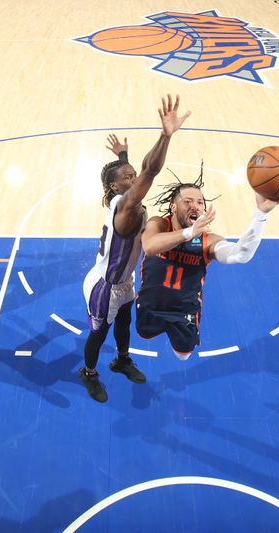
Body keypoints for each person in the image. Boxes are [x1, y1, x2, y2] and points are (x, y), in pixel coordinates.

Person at [79, 95, 191, 403]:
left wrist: (123, 155)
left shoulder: (123, 196)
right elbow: (149, 172)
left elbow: (133, 172)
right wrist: (165, 136)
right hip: (104, 286)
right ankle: (88, 372)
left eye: (132, 174)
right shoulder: (126, 208)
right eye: (128, 177)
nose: (134, 178)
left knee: (125, 322)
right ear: (116, 187)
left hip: (123, 281)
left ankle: (122, 359)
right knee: (99, 333)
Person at [135, 174, 279, 359]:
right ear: (173, 207)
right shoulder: (159, 223)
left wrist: (261, 214)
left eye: (200, 202)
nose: (195, 206)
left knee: (183, 355)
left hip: (184, 311)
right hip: (149, 304)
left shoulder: (208, 241)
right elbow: (150, 245)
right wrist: (188, 233)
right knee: (144, 334)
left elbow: (240, 255)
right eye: (188, 201)